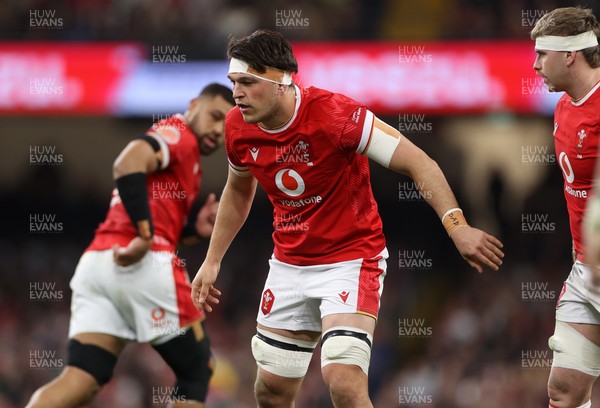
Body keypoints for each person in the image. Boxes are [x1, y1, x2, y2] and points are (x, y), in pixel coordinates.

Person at [191, 29, 504, 408]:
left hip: (351, 259)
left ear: (281, 81)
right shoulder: (237, 127)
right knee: (270, 391)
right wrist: (212, 260)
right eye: (233, 82)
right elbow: (239, 191)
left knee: (342, 380)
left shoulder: (335, 115)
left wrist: (458, 227)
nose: (236, 93)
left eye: (247, 83)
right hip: (289, 264)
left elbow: (419, 162)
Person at [26, 83, 235, 408]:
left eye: (228, 125)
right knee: (197, 369)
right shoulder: (177, 134)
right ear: (193, 104)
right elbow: (127, 163)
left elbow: (160, 225)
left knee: (83, 377)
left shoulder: (189, 162)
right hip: (143, 264)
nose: (219, 130)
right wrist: (145, 236)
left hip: (99, 264)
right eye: (215, 116)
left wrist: (194, 229)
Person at [530, 7, 600, 408]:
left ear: (570, 55)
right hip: (585, 273)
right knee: (563, 390)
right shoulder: (563, 107)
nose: (536, 65)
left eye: (542, 54)